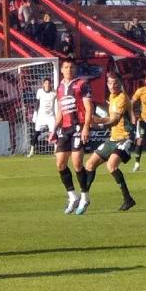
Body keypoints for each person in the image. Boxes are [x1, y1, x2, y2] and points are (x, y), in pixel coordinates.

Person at [80, 72, 137, 213]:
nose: (113, 86)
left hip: (125, 138)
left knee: (111, 165)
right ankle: (84, 198)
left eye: (116, 83)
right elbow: (110, 117)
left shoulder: (122, 98)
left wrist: (98, 124)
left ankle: (127, 198)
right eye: (110, 83)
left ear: (120, 83)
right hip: (113, 138)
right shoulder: (112, 97)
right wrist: (98, 119)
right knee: (89, 164)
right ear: (107, 84)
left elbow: (115, 120)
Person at [50, 60, 93, 214]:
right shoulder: (60, 88)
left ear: (75, 69)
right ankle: (72, 196)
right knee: (60, 164)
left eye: (72, 67)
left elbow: (89, 108)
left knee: (77, 163)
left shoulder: (82, 84)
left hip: (78, 127)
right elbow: (61, 111)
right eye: (66, 67)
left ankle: (85, 197)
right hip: (64, 129)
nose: (69, 70)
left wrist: (86, 127)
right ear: (61, 70)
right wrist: (54, 129)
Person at [28, 78, 56, 158]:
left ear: (50, 84)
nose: (47, 85)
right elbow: (37, 103)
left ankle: (56, 150)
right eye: (46, 83)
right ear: (43, 84)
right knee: (36, 133)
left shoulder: (54, 92)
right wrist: (35, 114)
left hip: (51, 116)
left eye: (49, 83)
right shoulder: (39, 91)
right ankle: (31, 151)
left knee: (54, 133)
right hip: (41, 116)